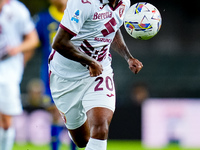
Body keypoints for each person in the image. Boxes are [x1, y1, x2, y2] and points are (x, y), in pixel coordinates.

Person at [48, 0, 143, 149]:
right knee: (82, 141)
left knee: (100, 128)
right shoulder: (82, 2)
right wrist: (89, 62)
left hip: (100, 71)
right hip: (65, 76)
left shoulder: (125, 2)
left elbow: (112, 27)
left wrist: (128, 57)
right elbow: (59, 42)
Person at [34, 0, 77, 150]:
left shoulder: (77, 15)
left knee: (74, 114)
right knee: (54, 113)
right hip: (51, 74)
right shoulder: (43, 18)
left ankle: (73, 148)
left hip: (74, 72)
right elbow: (33, 42)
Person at [0, 0, 39, 150]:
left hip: (8, 72)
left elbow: (33, 40)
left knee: (6, 117)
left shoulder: (17, 10)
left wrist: (16, 50)